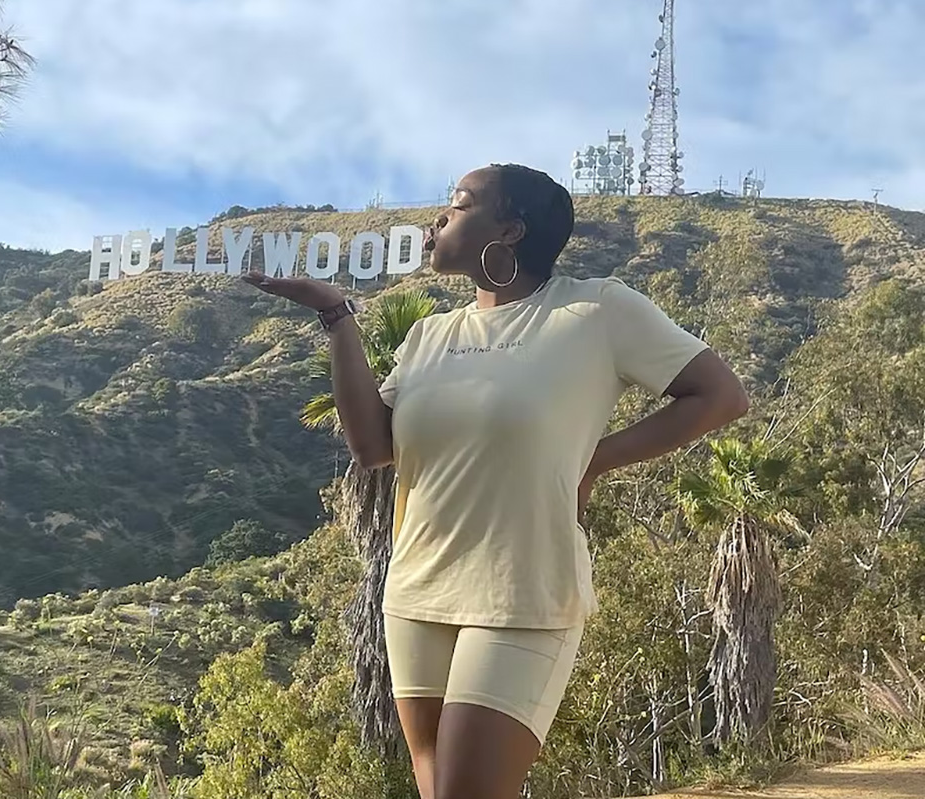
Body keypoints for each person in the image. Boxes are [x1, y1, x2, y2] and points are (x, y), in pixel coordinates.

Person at [242, 164, 749, 799]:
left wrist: (593, 459)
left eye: (458, 205)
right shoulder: (430, 336)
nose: (438, 218)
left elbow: (721, 395)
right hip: (416, 594)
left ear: (509, 229)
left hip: (523, 592)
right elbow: (373, 446)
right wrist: (336, 317)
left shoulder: (595, 309)